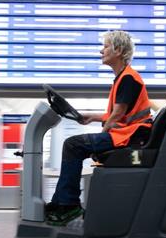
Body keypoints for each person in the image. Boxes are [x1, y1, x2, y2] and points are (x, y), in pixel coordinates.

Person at [45, 30, 152, 225]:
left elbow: (118, 115)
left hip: (130, 136)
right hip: (125, 133)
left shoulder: (129, 78)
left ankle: (68, 205)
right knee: (74, 145)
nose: (100, 51)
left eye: (105, 46)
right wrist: (91, 117)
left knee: (73, 145)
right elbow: (118, 115)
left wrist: (101, 136)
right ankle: (60, 202)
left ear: (118, 50)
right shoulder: (123, 77)